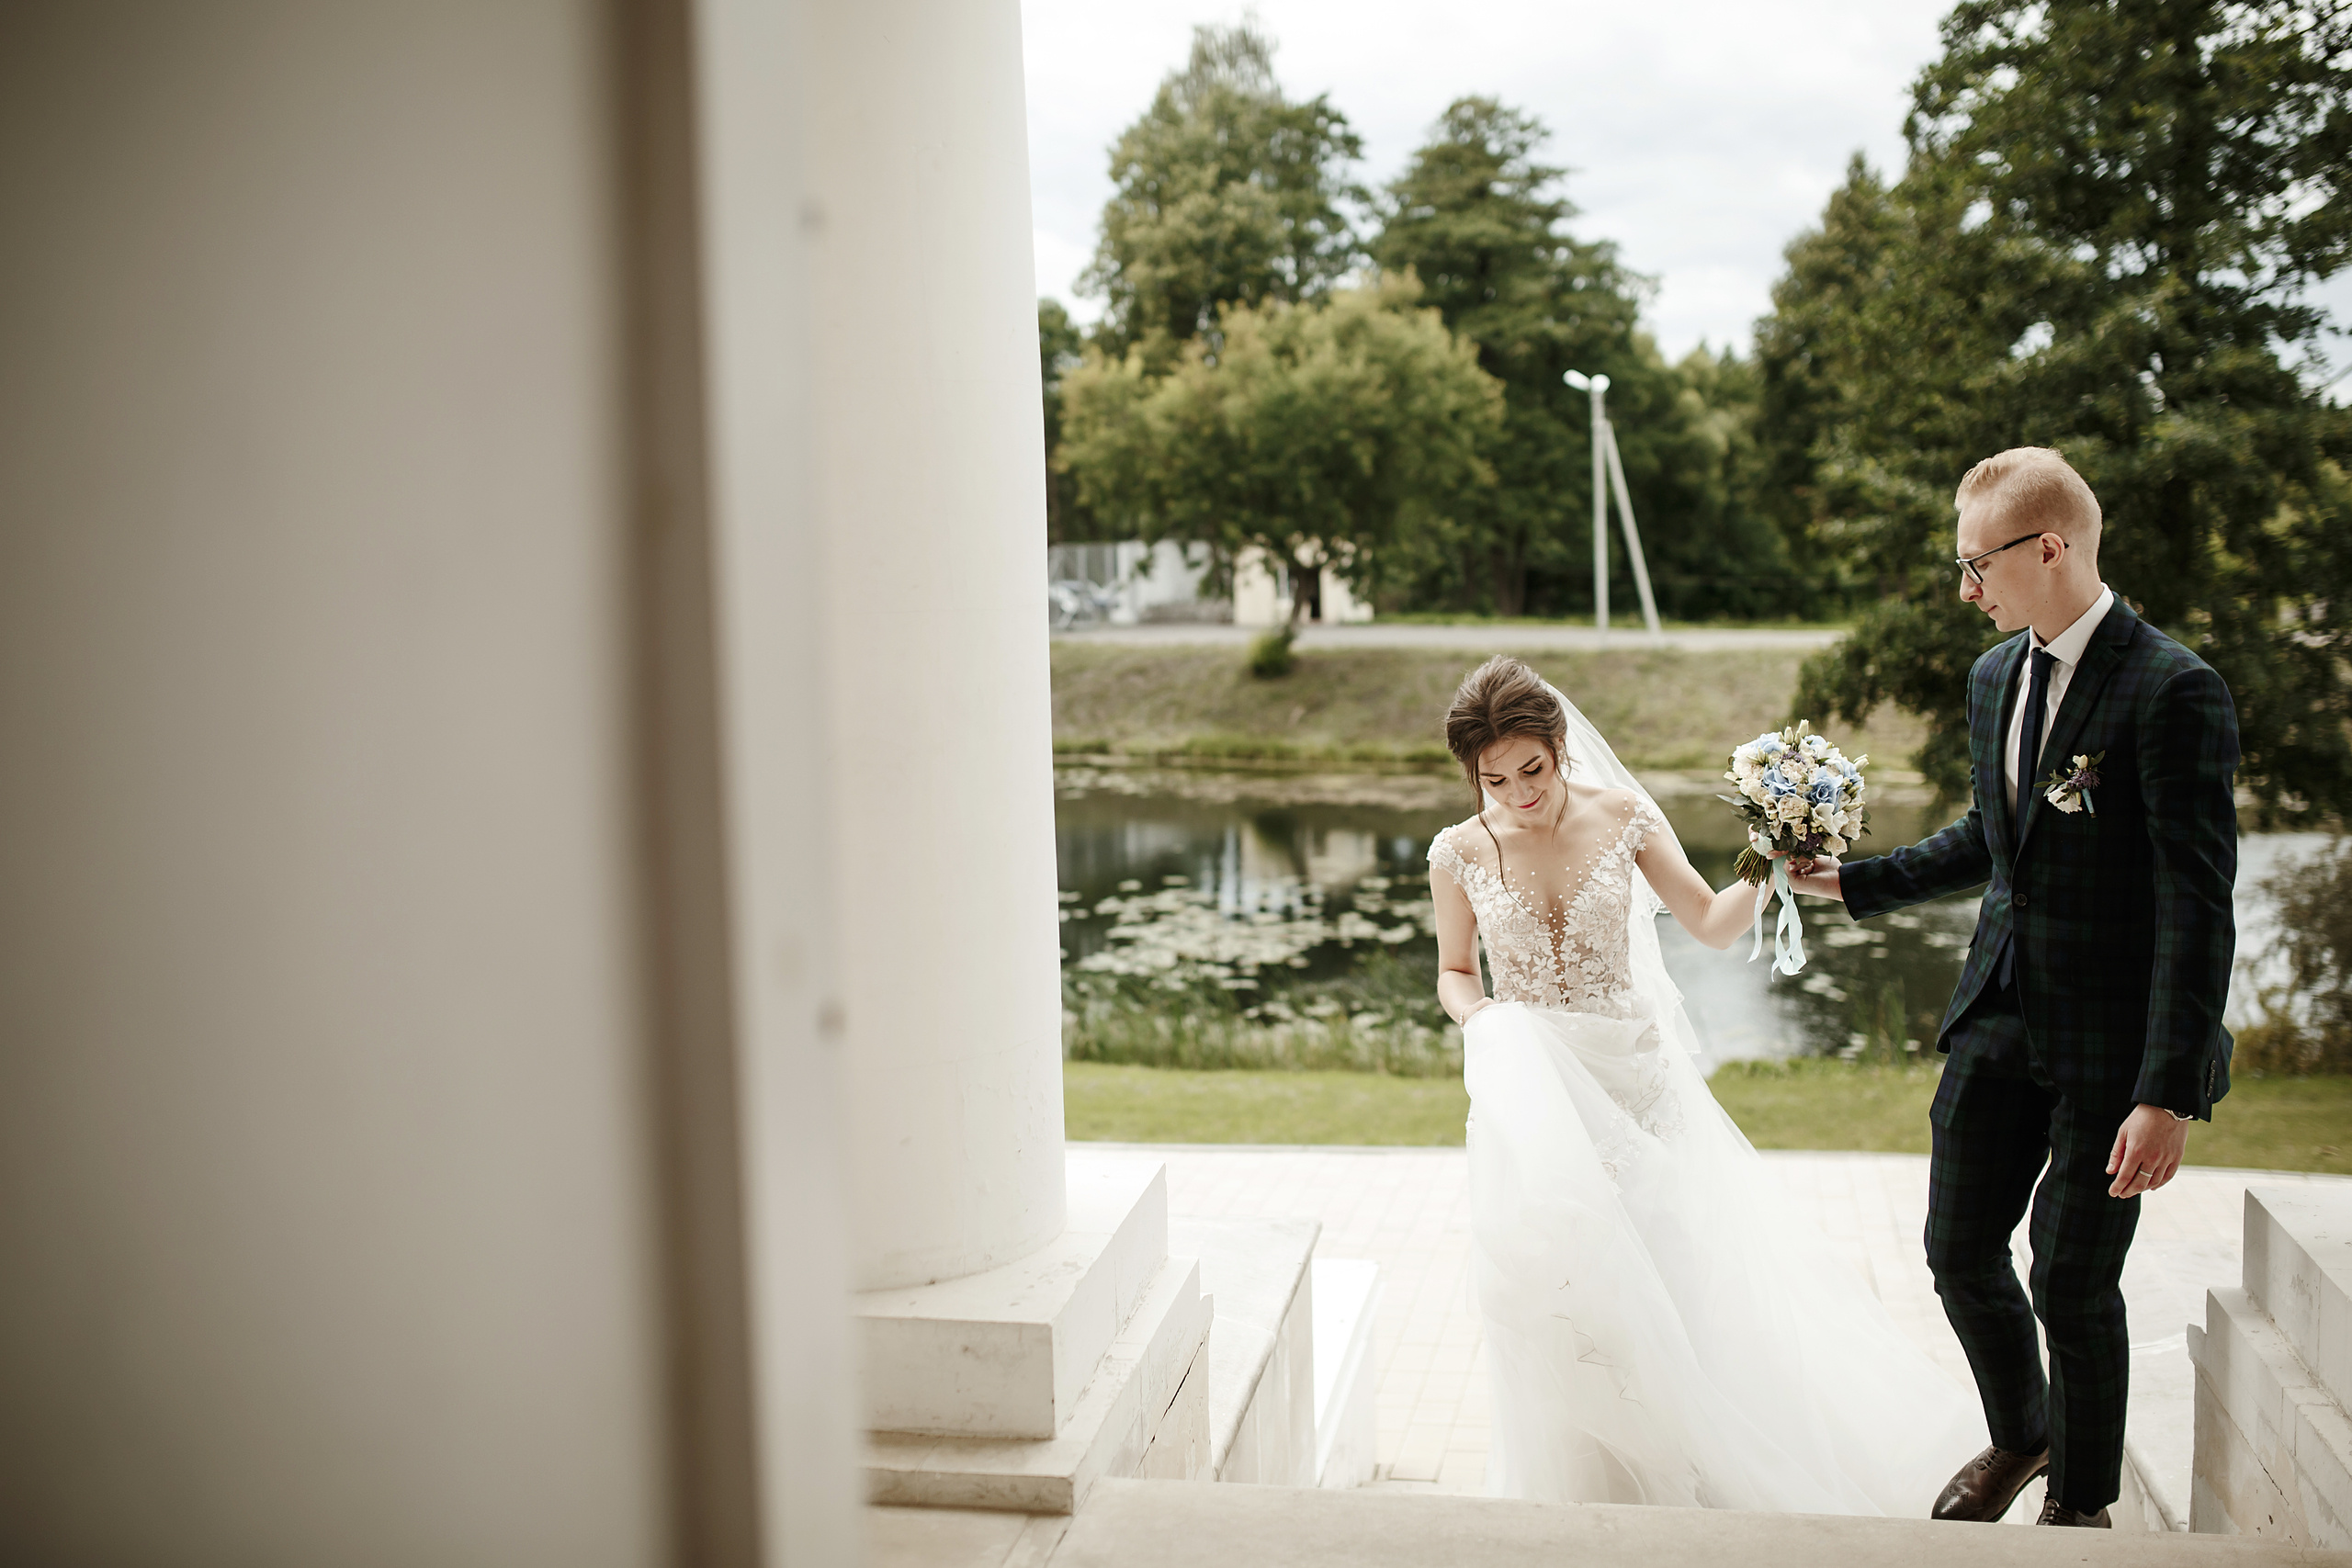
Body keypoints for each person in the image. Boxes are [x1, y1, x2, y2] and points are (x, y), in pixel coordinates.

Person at [1783, 446, 2240, 1528]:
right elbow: (1996, 836)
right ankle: (2023, 1431)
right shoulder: (1996, 676)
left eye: (1975, 564)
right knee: (1954, 1249)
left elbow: (2197, 903)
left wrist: (2167, 1091)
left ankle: (2079, 1512)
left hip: (2114, 1049)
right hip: (1997, 1012)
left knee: (2071, 1284)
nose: (1964, 589)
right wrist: (1855, 884)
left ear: (2049, 548)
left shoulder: (2174, 690)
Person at [1428, 655, 1980, 1514]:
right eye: (1493, 779)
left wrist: (1769, 858)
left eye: (1531, 770)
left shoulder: (1625, 817)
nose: (1518, 793)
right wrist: (1485, 1021)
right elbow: (1456, 971)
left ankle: (1701, 1479)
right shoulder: (1458, 851)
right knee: (1554, 1296)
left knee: (1671, 1281)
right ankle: (1587, 1494)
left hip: (1636, 1092)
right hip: (1534, 1091)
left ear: (1559, 745)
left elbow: (1710, 924)